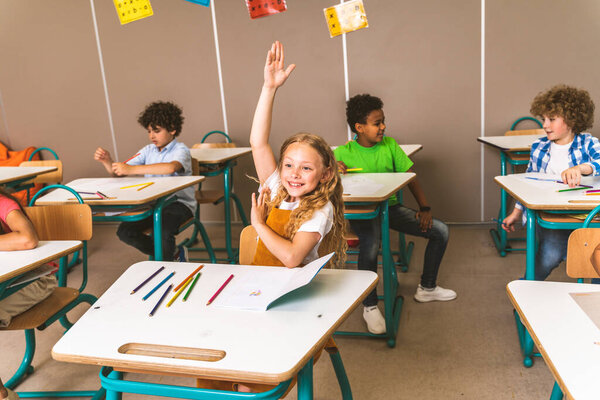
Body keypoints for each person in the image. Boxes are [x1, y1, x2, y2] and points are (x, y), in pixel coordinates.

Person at [334, 94, 456, 335]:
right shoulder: (342, 153)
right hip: (363, 213)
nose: (383, 127)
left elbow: (410, 178)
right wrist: (334, 171)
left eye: (383, 121)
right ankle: (369, 306)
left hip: (389, 208)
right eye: (377, 123)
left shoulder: (390, 145)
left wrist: (425, 208)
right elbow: (324, 181)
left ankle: (427, 288)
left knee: (440, 231)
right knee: (371, 245)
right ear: (359, 128)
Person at [502, 84, 598, 281]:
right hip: (553, 216)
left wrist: (581, 168)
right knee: (549, 255)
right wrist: (516, 212)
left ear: (571, 119)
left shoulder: (588, 143)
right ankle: (525, 292)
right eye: (543, 119)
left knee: (596, 259)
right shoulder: (539, 148)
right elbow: (527, 183)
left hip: (587, 216)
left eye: (552, 119)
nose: (545, 125)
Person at [94, 101, 195, 261]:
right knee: (125, 231)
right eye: (149, 131)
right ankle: (171, 254)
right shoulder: (148, 150)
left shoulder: (181, 150)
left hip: (179, 205)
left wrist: (132, 170)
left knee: (161, 230)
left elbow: (170, 168)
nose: (151, 136)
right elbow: (120, 172)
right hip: (154, 205)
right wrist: (108, 161)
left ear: (172, 129)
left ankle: (167, 267)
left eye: (156, 131)